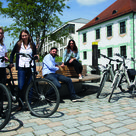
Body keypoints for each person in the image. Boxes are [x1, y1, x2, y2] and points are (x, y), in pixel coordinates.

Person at [10, 29, 37, 110]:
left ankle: (28, 104)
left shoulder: (32, 44)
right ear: (21, 36)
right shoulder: (18, 44)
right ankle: (20, 104)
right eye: (23, 36)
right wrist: (11, 62)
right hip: (21, 67)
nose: (24, 37)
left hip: (30, 67)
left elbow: (35, 54)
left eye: (25, 35)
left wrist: (36, 56)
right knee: (21, 87)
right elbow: (12, 54)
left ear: (28, 35)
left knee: (30, 87)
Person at [0, 27, 8, 117]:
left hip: (2, 69)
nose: (0, 35)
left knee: (1, 91)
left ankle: (1, 110)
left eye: (1, 33)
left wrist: (6, 59)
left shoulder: (3, 45)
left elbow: (5, 57)